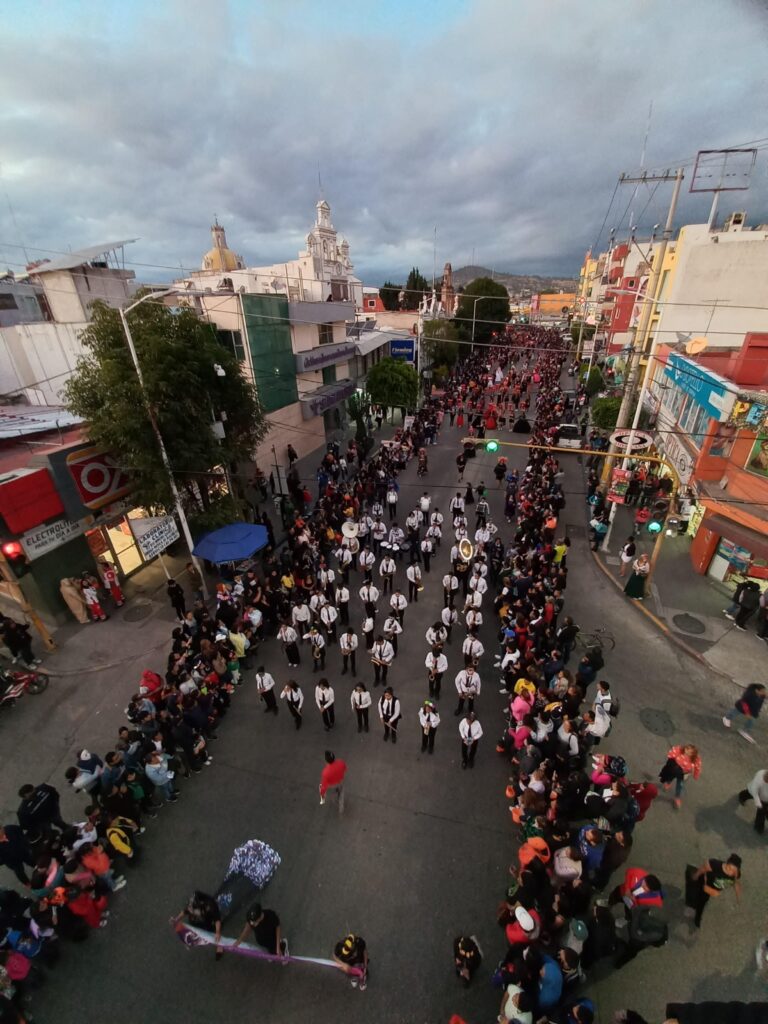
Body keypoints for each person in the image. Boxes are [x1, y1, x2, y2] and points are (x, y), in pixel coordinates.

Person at [686, 853, 742, 929]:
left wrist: (738, 898)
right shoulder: (715, 865)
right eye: (729, 868)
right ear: (726, 864)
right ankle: (697, 918)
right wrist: (696, 876)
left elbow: (736, 884)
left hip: (711, 889)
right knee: (700, 900)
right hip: (705, 884)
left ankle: (696, 912)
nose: (730, 872)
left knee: (702, 901)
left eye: (733, 871)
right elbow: (703, 869)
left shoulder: (735, 875)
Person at [177, 891, 223, 959]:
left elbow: (217, 920)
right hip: (196, 920)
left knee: (212, 930)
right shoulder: (193, 902)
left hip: (208, 920)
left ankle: (219, 945)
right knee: (195, 929)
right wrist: (177, 918)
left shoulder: (211, 906)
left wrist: (218, 932)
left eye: (193, 909)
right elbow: (185, 911)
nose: (191, 910)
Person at [658, 743, 701, 809]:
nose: (686, 751)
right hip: (675, 769)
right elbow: (672, 753)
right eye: (687, 749)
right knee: (671, 776)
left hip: (683, 775)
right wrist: (671, 756)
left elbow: (697, 767)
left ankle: (677, 797)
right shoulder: (679, 750)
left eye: (690, 752)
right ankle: (668, 783)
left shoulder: (696, 759)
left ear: (693, 754)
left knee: (680, 786)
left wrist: (696, 775)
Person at [738, 768, 768, 834]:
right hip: (759, 795)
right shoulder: (759, 778)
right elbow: (754, 791)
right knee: (761, 811)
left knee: (763, 810)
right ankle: (758, 826)